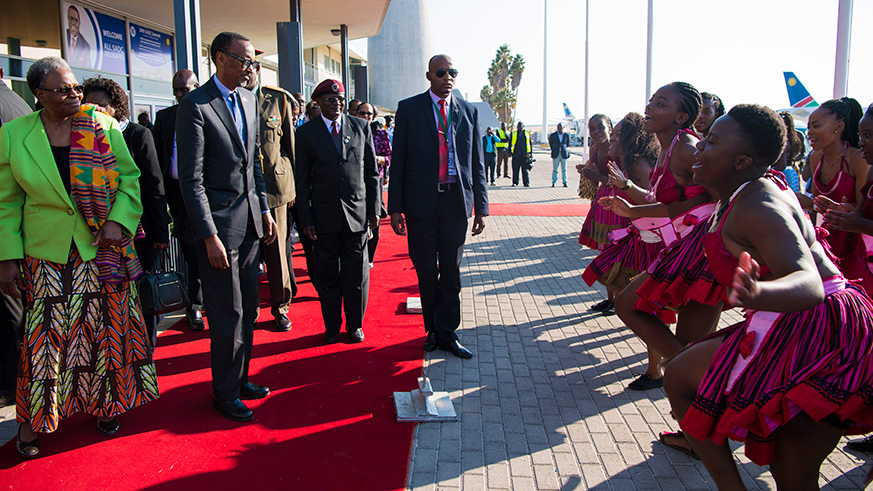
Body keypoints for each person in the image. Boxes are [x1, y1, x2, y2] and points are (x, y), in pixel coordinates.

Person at [664, 104, 873, 490]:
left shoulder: (758, 204)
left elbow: (808, 283)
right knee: (679, 376)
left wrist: (759, 291)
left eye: (711, 142)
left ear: (742, 161)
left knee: (792, 469)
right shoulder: (746, 190)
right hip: (786, 317)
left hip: (824, 330)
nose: (698, 148)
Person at [0, 56, 158, 457]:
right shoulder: (14, 135)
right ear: (38, 94)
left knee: (105, 334)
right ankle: (32, 424)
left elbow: (130, 181)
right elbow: (6, 203)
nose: (74, 95)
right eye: (63, 89)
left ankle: (107, 406)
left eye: (75, 87)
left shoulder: (101, 126)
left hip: (101, 250)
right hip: (45, 254)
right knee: (42, 342)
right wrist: (7, 258)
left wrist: (118, 223)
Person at [175, 32, 276, 422]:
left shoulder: (250, 100)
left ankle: (241, 377)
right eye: (245, 60)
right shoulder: (196, 106)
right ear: (220, 59)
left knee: (248, 308)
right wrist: (209, 235)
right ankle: (224, 392)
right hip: (218, 231)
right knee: (227, 313)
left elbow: (254, 164)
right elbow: (191, 180)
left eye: (253, 61)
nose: (251, 67)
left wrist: (264, 209)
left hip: (251, 222)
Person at [601, 82, 724, 398]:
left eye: (661, 103)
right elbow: (667, 200)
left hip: (704, 252)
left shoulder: (688, 148)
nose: (650, 107)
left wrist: (633, 211)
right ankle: (694, 391)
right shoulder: (669, 148)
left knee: (637, 308)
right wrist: (627, 194)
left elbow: (711, 199)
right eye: (652, 100)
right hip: (686, 249)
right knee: (641, 311)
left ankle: (705, 394)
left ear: (682, 117)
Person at [388, 54, 488, 359]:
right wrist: (394, 207)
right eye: (442, 72)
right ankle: (431, 330)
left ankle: (447, 332)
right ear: (429, 75)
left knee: (451, 270)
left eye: (452, 72)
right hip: (421, 204)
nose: (448, 77)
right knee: (426, 270)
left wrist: (481, 207)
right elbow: (399, 160)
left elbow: (477, 162)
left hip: (455, 202)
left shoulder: (468, 111)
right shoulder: (409, 109)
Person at [82, 77, 171, 351]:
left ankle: (146, 349)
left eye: (101, 105)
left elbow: (153, 185)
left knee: (141, 295)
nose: (95, 110)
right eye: (89, 104)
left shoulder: (136, 134)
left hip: (139, 233)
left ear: (115, 106)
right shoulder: (82, 139)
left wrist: (159, 232)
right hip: (98, 236)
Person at [295, 80, 379, 344]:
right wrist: (305, 219)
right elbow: (301, 181)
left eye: (341, 99)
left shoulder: (361, 126)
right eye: (331, 99)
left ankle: (355, 326)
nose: (337, 103)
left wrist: (374, 210)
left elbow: (372, 173)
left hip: (356, 214)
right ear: (317, 103)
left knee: (356, 276)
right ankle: (332, 327)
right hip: (323, 217)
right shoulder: (306, 134)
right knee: (327, 276)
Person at [822, 104, 873, 452]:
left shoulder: (856, 162)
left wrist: (861, 224)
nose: (862, 140)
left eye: (869, 135)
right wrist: (849, 215)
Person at [582, 113, 661, 317]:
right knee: (605, 270)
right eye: (614, 134)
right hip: (626, 224)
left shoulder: (638, 164)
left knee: (644, 302)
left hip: (647, 237)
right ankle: (618, 303)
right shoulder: (623, 160)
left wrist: (625, 189)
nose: (612, 138)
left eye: (618, 134)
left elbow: (656, 203)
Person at [153, 69, 205, 330]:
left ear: (197, 87)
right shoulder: (164, 118)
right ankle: (194, 306)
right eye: (176, 90)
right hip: (177, 197)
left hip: (206, 196)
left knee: (206, 252)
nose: (180, 95)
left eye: (185, 90)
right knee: (189, 253)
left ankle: (206, 303)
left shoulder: (208, 111)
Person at [246, 67, 297, 332]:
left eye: (250, 66)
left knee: (276, 252)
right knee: (248, 255)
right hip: (243, 190)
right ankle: (250, 310)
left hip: (275, 187)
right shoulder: (232, 99)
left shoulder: (278, 99)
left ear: (257, 69)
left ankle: (280, 308)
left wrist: (293, 187)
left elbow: (289, 144)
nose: (247, 72)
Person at [0, 67, 32, 409]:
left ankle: (12, 384)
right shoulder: (19, 108)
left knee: (11, 311)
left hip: (15, 231)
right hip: (25, 234)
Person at [806, 98, 869, 260]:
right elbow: (819, 203)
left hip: (857, 243)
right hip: (827, 238)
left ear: (838, 127)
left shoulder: (858, 160)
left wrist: (836, 208)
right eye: (809, 127)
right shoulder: (815, 158)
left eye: (816, 126)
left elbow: (863, 212)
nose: (810, 132)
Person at [578, 114, 627, 251]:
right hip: (601, 200)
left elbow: (625, 182)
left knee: (616, 246)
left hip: (618, 201)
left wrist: (598, 177)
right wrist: (589, 173)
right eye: (592, 129)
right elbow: (595, 184)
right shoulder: (594, 149)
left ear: (609, 128)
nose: (596, 132)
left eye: (600, 127)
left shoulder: (618, 150)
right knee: (603, 245)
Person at [357, 102, 391, 268]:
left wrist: (378, 160)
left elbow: (390, 157)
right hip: (354, 182)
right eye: (362, 113)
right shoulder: (350, 130)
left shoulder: (381, 133)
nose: (365, 116)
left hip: (374, 180)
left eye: (369, 114)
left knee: (374, 217)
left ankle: (369, 258)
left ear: (374, 116)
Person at [511, 121, 532, 187]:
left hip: (524, 155)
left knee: (525, 170)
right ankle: (515, 182)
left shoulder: (526, 133)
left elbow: (530, 144)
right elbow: (510, 143)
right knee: (515, 170)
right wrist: (510, 152)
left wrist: (530, 154)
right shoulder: (514, 133)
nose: (518, 127)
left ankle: (526, 183)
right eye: (518, 126)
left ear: (523, 126)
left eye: (520, 126)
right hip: (516, 155)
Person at [549, 122, 570, 187]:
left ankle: (565, 182)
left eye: (561, 127)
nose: (559, 128)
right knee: (555, 169)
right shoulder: (553, 135)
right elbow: (551, 143)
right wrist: (554, 149)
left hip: (563, 154)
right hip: (556, 154)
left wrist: (564, 149)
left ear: (563, 128)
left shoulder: (566, 135)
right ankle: (554, 182)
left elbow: (567, 143)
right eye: (558, 127)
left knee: (564, 169)